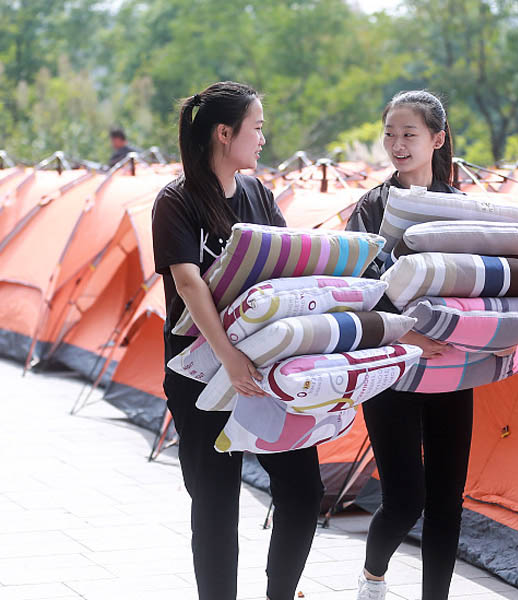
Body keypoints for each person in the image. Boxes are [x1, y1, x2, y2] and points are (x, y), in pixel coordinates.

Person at [151, 81, 323, 600]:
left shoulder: (257, 194)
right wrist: (228, 358)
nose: (264, 138)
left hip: (266, 366)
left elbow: (286, 263)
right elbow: (188, 283)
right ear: (225, 134)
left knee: (302, 488)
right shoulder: (176, 202)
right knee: (214, 503)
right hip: (201, 371)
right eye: (258, 127)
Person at [346, 90, 511, 600]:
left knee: (446, 500)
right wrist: (407, 333)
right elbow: (354, 286)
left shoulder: (462, 207)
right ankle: (373, 575)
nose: (397, 144)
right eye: (390, 133)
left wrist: (503, 336)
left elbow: (488, 281)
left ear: (437, 139)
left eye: (409, 134)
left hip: (451, 370)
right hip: (392, 367)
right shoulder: (372, 206)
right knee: (404, 498)